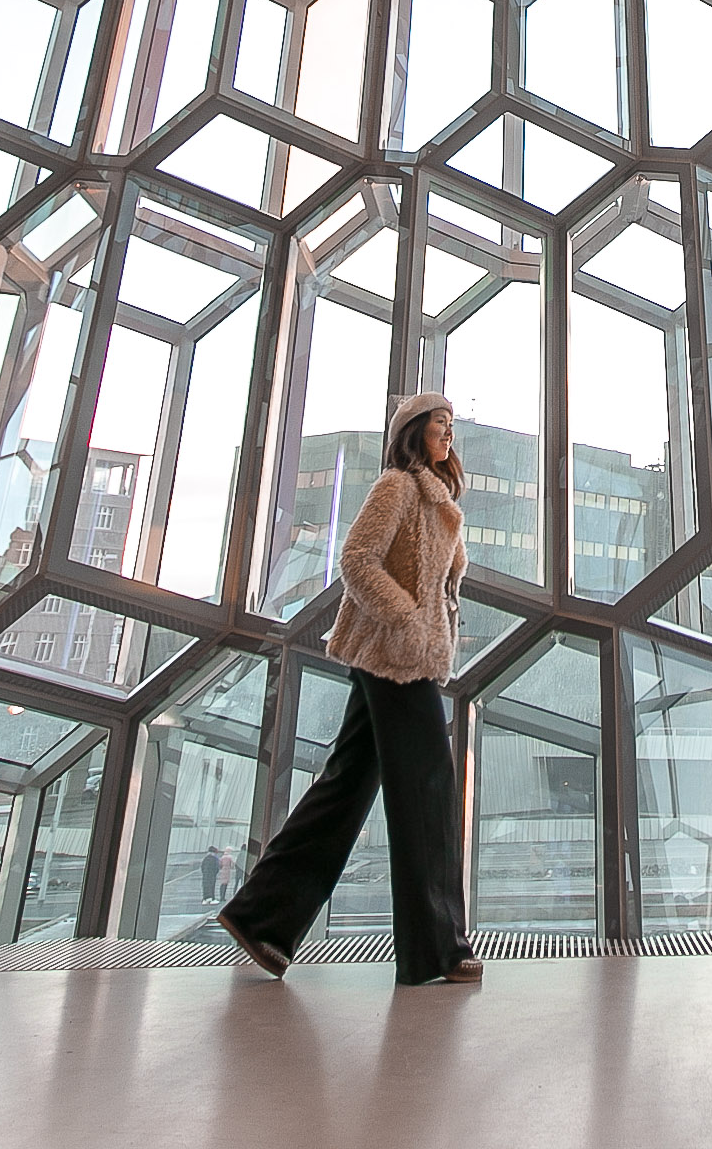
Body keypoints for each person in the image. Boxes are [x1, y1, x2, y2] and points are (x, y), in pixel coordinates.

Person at [216, 393, 482, 987]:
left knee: (348, 785)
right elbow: (357, 559)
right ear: (414, 432)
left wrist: (426, 624)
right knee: (430, 791)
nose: (448, 435)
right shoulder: (397, 486)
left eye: (451, 427)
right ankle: (438, 947)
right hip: (393, 656)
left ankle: (262, 918)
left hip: (402, 656)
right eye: (440, 424)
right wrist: (408, 619)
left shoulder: (435, 496)